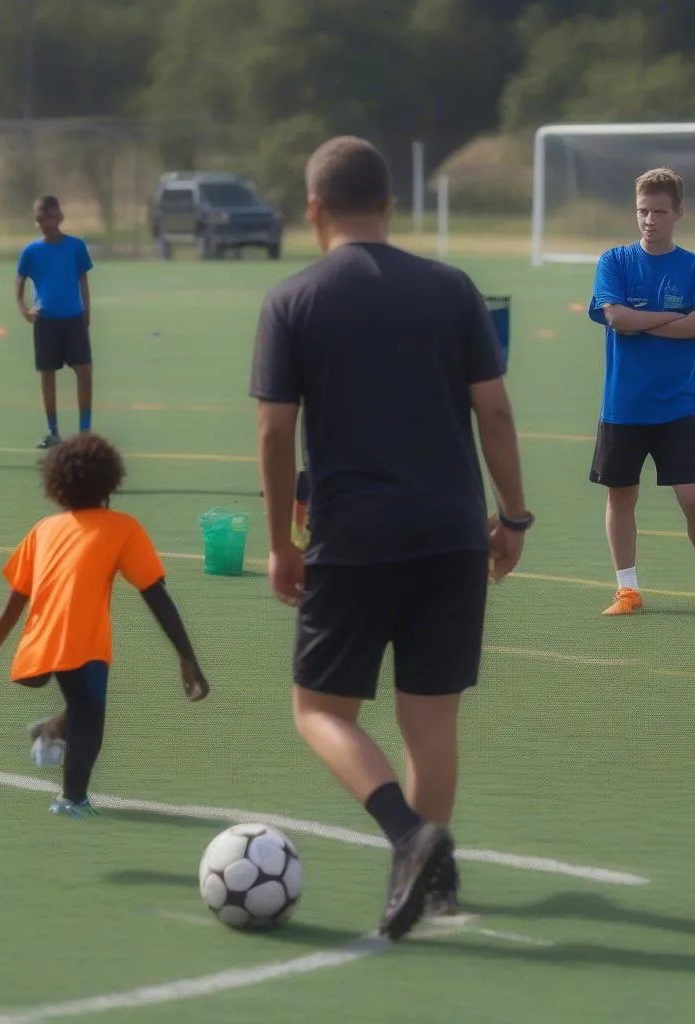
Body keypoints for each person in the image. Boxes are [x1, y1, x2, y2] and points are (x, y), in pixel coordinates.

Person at [248, 136, 532, 940]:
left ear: (313, 209)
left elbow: (275, 434)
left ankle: (411, 839)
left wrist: (280, 541)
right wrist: (512, 518)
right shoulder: (452, 288)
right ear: (390, 204)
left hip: (354, 536)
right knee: (429, 722)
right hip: (451, 535)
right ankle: (435, 884)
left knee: (318, 710)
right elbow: (497, 413)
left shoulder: (294, 299)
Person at [0, 433, 210, 817]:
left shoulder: (43, 529)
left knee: (83, 705)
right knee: (90, 715)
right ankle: (71, 798)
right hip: (83, 643)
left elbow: (14, 602)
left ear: (56, 486)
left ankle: (52, 731)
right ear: (112, 481)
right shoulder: (123, 528)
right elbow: (155, 594)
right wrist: (186, 656)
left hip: (42, 642)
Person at [587, 167, 695, 618]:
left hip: (681, 406)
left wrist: (643, 319)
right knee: (621, 497)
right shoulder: (614, 261)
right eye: (642, 211)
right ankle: (627, 590)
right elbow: (616, 319)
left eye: (659, 211)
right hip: (624, 406)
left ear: (679, 213)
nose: (649, 219)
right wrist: (673, 321)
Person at [15, 196, 94, 450]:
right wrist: (25, 309)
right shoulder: (31, 251)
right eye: (39, 218)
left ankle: (84, 430)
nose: (44, 222)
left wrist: (86, 310)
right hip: (46, 321)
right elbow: (20, 281)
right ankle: (53, 431)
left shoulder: (76, 247)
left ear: (58, 217)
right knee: (47, 376)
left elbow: (83, 279)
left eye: (48, 216)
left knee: (84, 373)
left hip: (73, 319)